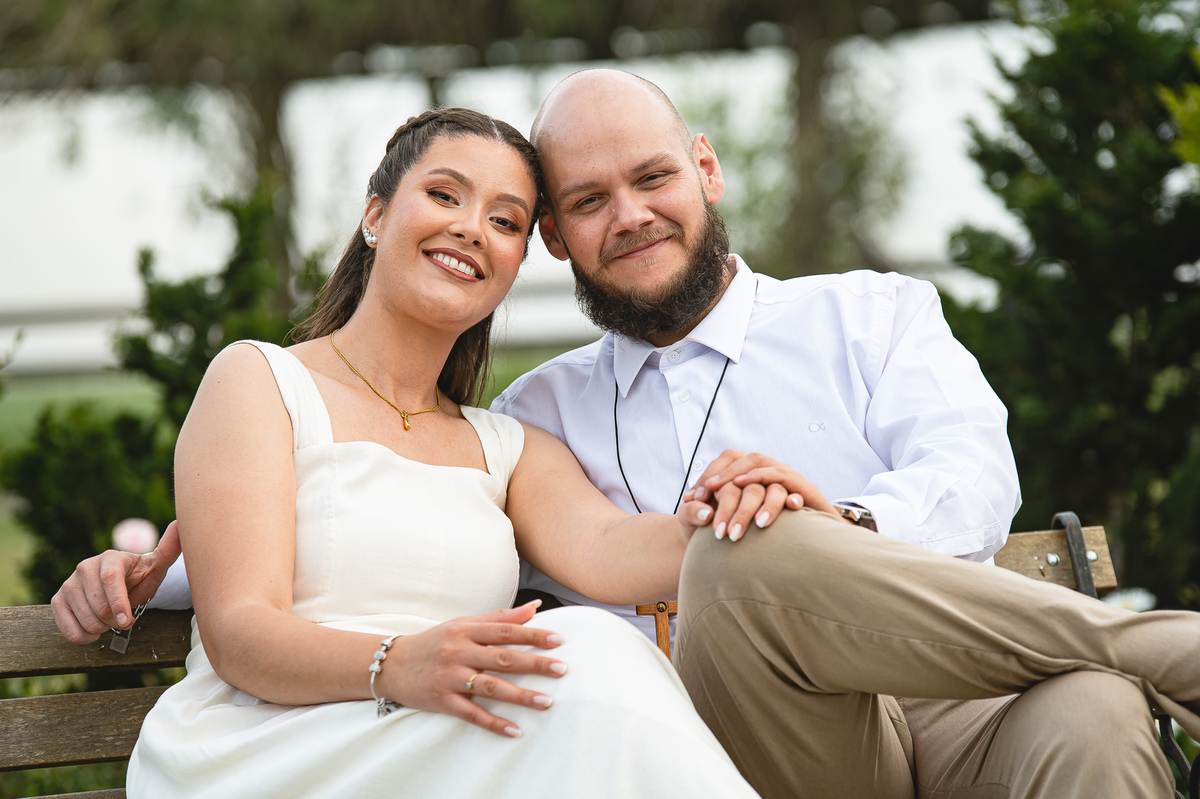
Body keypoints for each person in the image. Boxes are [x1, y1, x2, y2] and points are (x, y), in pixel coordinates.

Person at [55, 71, 1200, 798]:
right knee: (734, 561)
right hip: (757, 746)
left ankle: (1127, 662)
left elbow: (964, 479)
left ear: (704, 167)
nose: (630, 213)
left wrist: (815, 520)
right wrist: (146, 572)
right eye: (584, 201)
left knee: (1090, 711)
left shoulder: (868, 315)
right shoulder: (533, 414)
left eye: (651, 176)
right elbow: (291, 551)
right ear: (559, 244)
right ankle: (1164, 646)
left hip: (960, 697)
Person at [100, 107, 767, 798]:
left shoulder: (507, 444)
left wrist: (730, 509)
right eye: (445, 196)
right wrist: (395, 661)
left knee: (600, 648)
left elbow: (614, 549)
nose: (472, 228)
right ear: (376, 214)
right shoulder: (261, 382)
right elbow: (240, 630)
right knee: (592, 657)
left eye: (506, 221)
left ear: (515, 265)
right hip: (267, 748)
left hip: (440, 743)